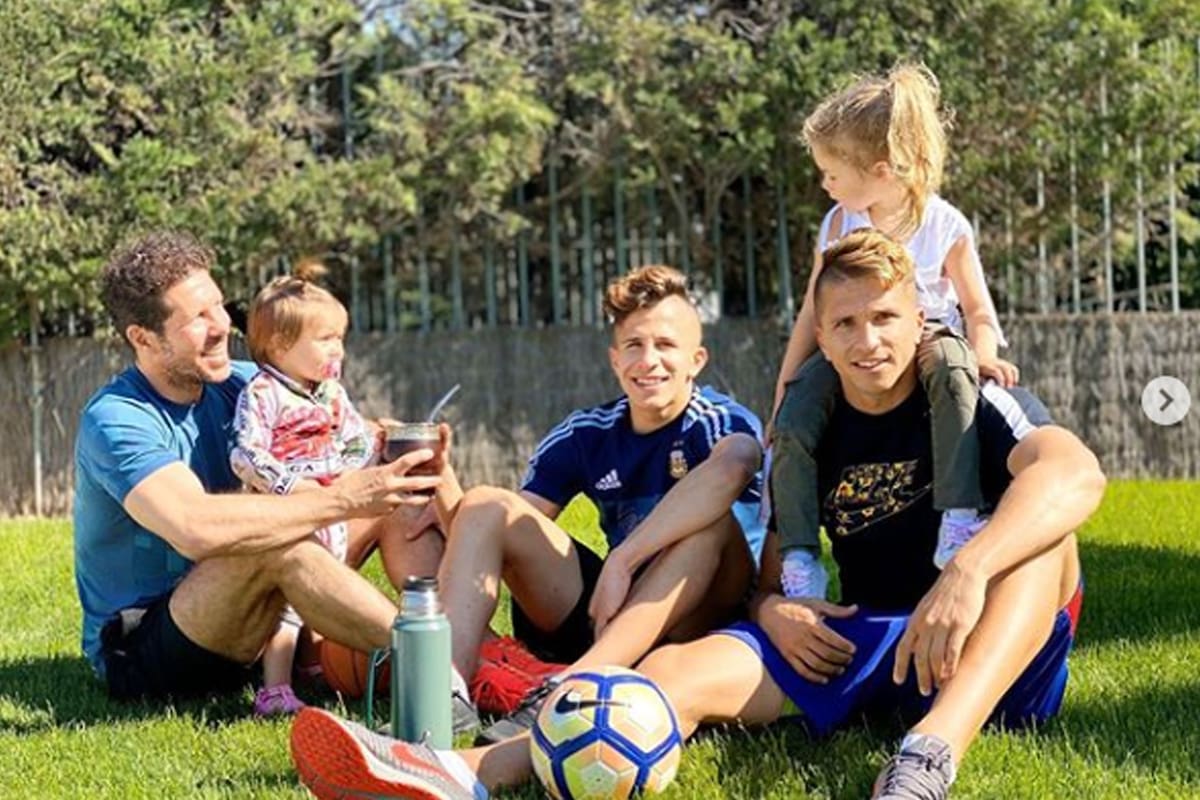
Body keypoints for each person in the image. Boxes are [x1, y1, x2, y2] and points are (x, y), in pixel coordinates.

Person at [287, 229, 1105, 800]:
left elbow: (1074, 472)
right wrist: (774, 610)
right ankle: (464, 772)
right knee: (668, 676)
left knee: (1044, 541)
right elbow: (770, 571)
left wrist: (968, 570)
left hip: (987, 650)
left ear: (919, 321)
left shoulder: (969, 398)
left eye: (885, 318)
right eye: (846, 324)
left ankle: (926, 758)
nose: (868, 341)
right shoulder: (808, 428)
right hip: (866, 638)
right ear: (820, 338)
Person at [73, 231, 474, 724]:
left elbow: (349, 439)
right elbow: (194, 527)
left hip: (248, 619)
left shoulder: (247, 385)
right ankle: (442, 675)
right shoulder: (117, 419)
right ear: (143, 338)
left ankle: (480, 653)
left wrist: (404, 451)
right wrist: (344, 499)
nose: (222, 325)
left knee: (397, 495)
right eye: (198, 318)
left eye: (219, 306)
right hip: (148, 645)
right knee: (273, 541)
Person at [439, 263, 766, 743]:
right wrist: (442, 481)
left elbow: (735, 466)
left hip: (704, 618)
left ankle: (569, 690)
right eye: (634, 345)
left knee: (709, 526)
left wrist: (623, 558)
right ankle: (444, 692)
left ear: (696, 360)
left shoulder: (719, 421)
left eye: (665, 345)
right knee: (489, 503)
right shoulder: (585, 432)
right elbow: (501, 538)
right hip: (609, 613)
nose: (648, 361)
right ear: (615, 360)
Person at [770, 64, 1019, 605]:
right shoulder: (839, 223)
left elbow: (978, 308)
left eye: (832, 174)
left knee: (951, 371)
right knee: (794, 419)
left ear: (881, 171)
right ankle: (799, 556)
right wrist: (785, 388)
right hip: (851, 344)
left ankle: (959, 513)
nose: (825, 184)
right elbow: (813, 313)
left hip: (929, 337)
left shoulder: (944, 225)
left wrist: (982, 357)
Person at [228, 262, 378, 716]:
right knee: (286, 605)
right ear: (280, 345)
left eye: (340, 338)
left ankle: (314, 665)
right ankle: (274, 688)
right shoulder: (263, 393)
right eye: (326, 338)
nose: (338, 349)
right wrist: (293, 486)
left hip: (331, 509)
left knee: (325, 588)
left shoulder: (331, 393)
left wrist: (353, 466)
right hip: (287, 515)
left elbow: (355, 437)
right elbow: (245, 454)